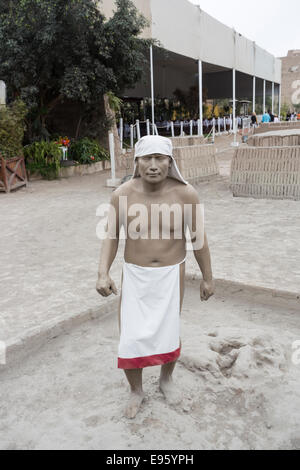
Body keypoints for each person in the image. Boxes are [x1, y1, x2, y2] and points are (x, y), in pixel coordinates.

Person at [96, 135, 215, 419]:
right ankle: (136, 390)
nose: (153, 165)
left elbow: (199, 240)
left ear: (170, 162)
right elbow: (111, 237)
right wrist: (103, 272)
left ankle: (166, 380)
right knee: (130, 338)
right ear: (136, 162)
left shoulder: (186, 194)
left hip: (172, 274)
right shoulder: (122, 194)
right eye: (146, 159)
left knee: (169, 331)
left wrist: (208, 278)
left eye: (159, 158)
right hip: (135, 275)